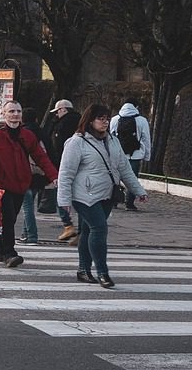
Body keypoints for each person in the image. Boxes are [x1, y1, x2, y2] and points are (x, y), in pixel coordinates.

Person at [57, 100, 145, 288]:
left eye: (106, 119)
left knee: (88, 231)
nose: (104, 122)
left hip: (107, 193)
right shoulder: (76, 142)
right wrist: (63, 200)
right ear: (90, 121)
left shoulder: (112, 140)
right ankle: (103, 273)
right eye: (100, 119)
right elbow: (66, 172)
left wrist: (137, 190)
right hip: (84, 195)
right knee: (99, 229)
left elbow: (124, 167)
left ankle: (83, 269)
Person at [0, 99, 57, 268]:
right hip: (1, 186)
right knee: (9, 217)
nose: (15, 114)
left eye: (18, 111)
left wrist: (54, 176)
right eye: (11, 111)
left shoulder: (27, 136)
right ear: (4, 115)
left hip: (21, 185)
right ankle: (10, 253)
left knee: (9, 221)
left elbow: (41, 157)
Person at [40, 99, 80, 242]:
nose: (56, 114)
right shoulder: (82, 122)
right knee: (80, 197)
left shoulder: (62, 125)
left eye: (57, 111)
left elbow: (57, 147)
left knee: (61, 195)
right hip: (80, 166)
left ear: (63, 109)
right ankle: (81, 230)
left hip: (63, 165)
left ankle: (68, 225)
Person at [110, 99, 152, 209]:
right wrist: (147, 156)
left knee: (116, 177)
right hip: (135, 154)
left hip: (118, 154)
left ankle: (114, 200)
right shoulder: (142, 121)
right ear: (136, 107)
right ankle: (130, 203)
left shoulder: (115, 119)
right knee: (132, 178)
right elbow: (146, 139)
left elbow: (109, 138)